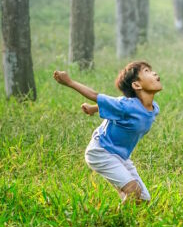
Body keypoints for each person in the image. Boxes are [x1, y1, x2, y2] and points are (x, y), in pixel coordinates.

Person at [53, 61, 162, 202]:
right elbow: (96, 95)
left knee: (143, 200)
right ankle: (113, 220)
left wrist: (93, 108)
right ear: (136, 85)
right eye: (147, 71)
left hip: (121, 156)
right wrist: (69, 82)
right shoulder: (126, 105)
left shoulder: (154, 108)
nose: (154, 73)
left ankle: (126, 209)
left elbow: (114, 105)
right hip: (101, 151)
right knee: (133, 191)